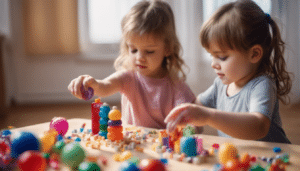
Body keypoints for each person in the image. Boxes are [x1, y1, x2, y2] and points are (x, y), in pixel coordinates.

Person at [165, 0, 292, 143]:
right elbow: (196, 106)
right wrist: (186, 117)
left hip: (276, 159)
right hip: (241, 158)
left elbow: (259, 126)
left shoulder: (262, 85)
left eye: (222, 57)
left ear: (254, 54)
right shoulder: (220, 85)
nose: (214, 64)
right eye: (212, 56)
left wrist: (208, 116)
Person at [68, 0, 195, 129]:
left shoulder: (177, 87)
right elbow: (105, 86)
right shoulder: (128, 78)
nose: (139, 58)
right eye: (133, 50)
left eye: (149, 51)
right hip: (132, 143)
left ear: (168, 48)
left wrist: (186, 123)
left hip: (160, 147)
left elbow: (193, 122)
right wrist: (92, 84)